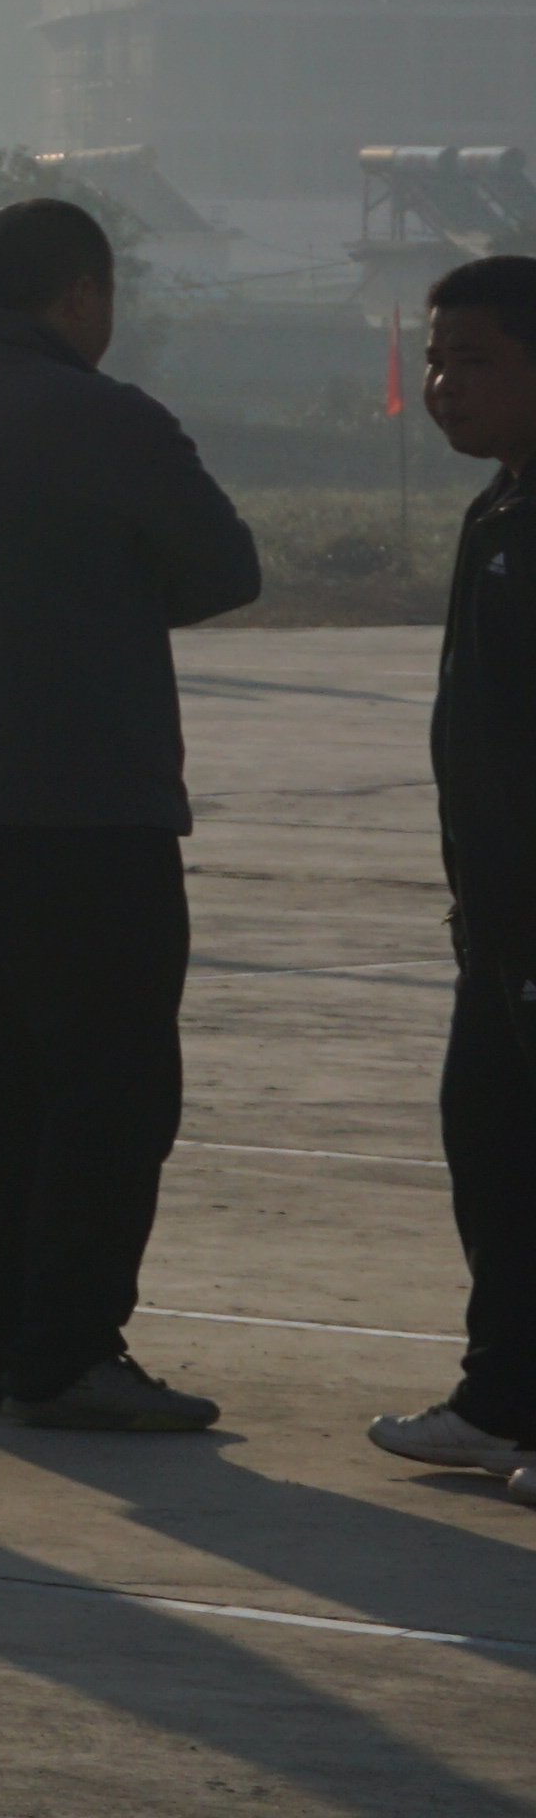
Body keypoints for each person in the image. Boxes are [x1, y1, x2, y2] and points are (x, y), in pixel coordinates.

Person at [0, 196, 263, 1433]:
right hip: (89, 803)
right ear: (84, 295)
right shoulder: (111, 417)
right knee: (109, 1086)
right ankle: (70, 1349)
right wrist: (108, 588)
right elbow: (224, 566)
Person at [381, 255, 536, 1487]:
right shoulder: (499, 509)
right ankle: (503, 1397)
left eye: (470, 360)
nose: (442, 386)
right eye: (436, 360)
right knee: (488, 1139)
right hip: (497, 918)